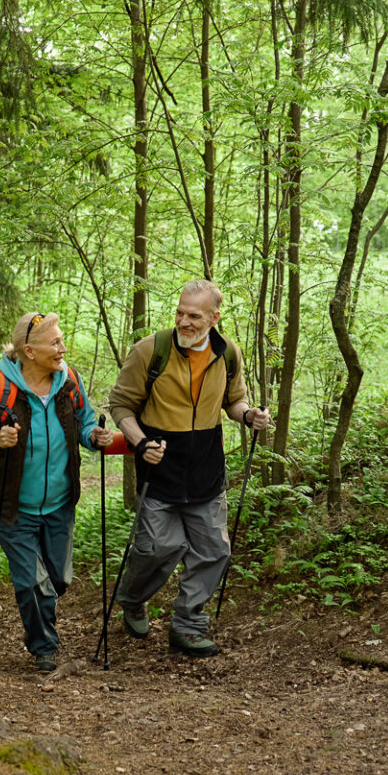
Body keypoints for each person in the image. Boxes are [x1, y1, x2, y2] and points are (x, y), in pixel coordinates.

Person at [108, 280, 271, 657]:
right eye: (180, 312)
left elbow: (234, 400)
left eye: (194, 316)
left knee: (214, 550)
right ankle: (132, 598)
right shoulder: (151, 350)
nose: (184, 321)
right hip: (159, 467)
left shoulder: (227, 352)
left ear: (215, 318)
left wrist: (248, 416)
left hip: (206, 469)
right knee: (157, 549)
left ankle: (188, 624)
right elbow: (121, 406)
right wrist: (140, 441)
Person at [0, 312, 112, 673]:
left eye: (62, 339)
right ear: (29, 350)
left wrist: (94, 437)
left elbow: (86, 424)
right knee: (32, 582)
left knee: (57, 580)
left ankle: (41, 627)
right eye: (54, 342)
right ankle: (44, 648)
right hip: (10, 506)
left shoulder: (69, 381)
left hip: (58, 503)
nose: (62, 348)